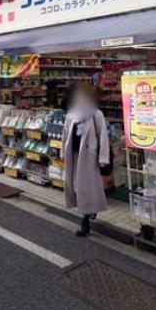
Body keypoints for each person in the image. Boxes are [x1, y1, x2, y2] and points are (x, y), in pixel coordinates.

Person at [61, 82, 109, 237]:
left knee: (87, 189)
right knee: (76, 187)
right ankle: (89, 210)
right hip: (74, 156)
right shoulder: (71, 115)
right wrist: (63, 153)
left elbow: (103, 136)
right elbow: (65, 135)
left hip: (90, 158)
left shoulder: (97, 115)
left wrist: (103, 158)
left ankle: (85, 221)